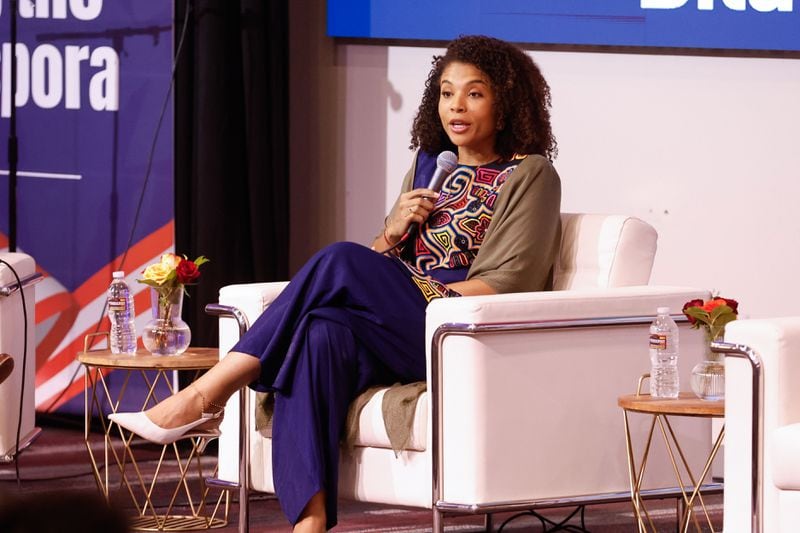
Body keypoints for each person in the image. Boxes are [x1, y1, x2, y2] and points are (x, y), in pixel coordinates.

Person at [110, 35, 562, 532]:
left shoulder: (529, 174)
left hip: (452, 328)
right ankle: (310, 523)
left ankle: (206, 394)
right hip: (397, 320)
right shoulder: (431, 166)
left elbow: (511, 282)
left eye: (474, 93)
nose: (456, 105)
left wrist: (414, 284)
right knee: (319, 333)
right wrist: (392, 231)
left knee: (339, 258)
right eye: (447, 92)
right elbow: (377, 264)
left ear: (506, 105)